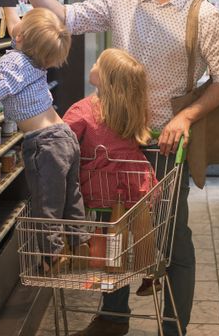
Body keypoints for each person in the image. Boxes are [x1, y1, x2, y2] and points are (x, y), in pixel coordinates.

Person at [16, 0, 219, 336]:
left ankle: (173, 328)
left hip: (162, 144)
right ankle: (113, 317)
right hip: (111, 138)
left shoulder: (202, 16)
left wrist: (185, 117)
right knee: (109, 228)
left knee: (171, 241)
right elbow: (64, 15)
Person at [0, 6, 86, 268]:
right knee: (70, 195)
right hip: (64, 136)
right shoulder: (35, 56)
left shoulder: (14, 61)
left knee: (46, 202)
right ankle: (80, 243)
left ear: (20, 38)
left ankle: (53, 255)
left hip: (45, 143)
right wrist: (7, 5)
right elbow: (18, 24)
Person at [64, 48, 159, 296]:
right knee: (140, 221)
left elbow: (63, 140)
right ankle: (148, 269)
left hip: (98, 187)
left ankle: (101, 265)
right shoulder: (134, 107)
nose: (92, 64)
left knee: (107, 226)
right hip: (134, 183)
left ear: (105, 78)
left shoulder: (82, 111)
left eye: (97, 63)